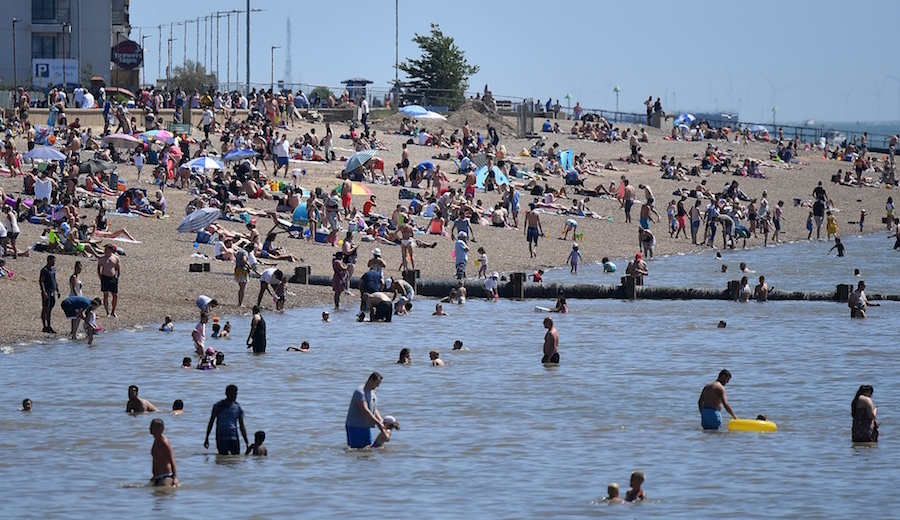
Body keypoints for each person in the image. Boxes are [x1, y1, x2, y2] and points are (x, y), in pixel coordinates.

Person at [345, 372, 387, 449]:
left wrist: (381, 420)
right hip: (355, 427)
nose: (377, 386)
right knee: (356, 450)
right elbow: (365, 411)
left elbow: (374, 409)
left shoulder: (373, 392)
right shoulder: (360, 392)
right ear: (371, 380)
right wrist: (378, 423)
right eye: (376, 384)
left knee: (367, 450)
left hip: (366, 427)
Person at [205, 384, 249, 455]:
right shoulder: (218, 406)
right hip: (221, 438)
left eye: (235, 394)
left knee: (235, 459)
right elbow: (211, 422)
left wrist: (247, 442)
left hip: (234, 437)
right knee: (222, 460)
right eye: (231, 394)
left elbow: (242, 426)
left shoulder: (238, 407)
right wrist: (207, 437)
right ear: (226, 393)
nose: (234, 396)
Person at [149, 418, 179, 487]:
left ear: (160, 428)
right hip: (156, 477)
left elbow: (172, 460)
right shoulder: (156, 441)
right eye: (150, 427)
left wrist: (175, 478)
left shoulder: (164, 442)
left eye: (152, 427)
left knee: (163, 495)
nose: (150, 429)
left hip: (165, 476)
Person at [97, 244, 121, 317]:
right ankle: (107, 312)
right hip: (105, 277)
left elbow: (118, 268)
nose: (105, 250)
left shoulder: (116, 258)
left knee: (115, 295)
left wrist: (117, 277)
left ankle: (113, 311)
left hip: (113, 277)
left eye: (107, 249)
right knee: (105, 294)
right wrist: (100, 276)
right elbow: (98, 267)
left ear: (110, 249)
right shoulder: (102, 258)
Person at [40, 255, 60, 333]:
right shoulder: (44, 270)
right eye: (53, 261)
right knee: (45, 308)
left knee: (50, 308)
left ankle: (49, 325)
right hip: (47, 291)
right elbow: (41, 281)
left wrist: (57, 290)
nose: (54, 262)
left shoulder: (53, 270)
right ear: (48, 260)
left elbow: (55, 280)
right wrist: (44, 292)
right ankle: (44, 326)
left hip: (52, 291)